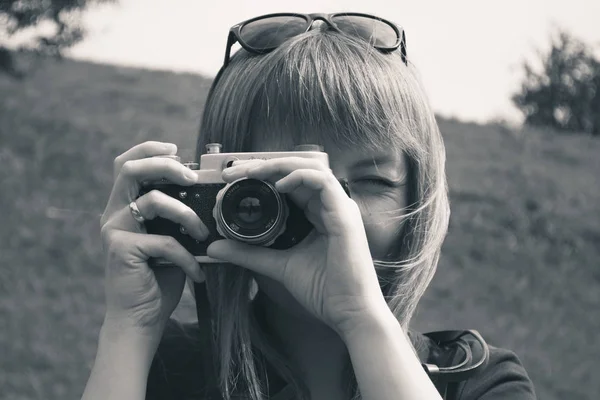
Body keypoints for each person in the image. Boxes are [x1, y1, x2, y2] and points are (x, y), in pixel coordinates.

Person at [82, 12, 537, 400]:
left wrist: (361, 316)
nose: (332, 211)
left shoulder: (477, 382)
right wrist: (130, 328)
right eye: (288, 181)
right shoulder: (166, 368)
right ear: (219, 195)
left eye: (370, 181)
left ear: (418, 200)